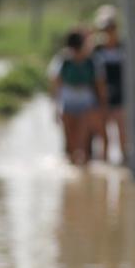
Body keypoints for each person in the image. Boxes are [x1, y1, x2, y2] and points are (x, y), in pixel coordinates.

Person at [48, 27, 104, 166]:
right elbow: (55, 85)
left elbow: (99, 85)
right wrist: (55, 109)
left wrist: (101, 108)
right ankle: (73, 173)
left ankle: (85, 172)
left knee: (85, 143)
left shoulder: (93, 61)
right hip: (68, 103)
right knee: (69, 143)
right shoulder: (62, 60)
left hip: (87, 104)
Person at [91, 5, 130, 164]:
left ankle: (125, 163)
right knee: (103, 136)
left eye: (111, 27)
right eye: (104, 28)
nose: (108, 32)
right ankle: (103, 165)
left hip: (121, 96)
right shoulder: (96, 49)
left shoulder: (124, 47)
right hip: (100, 97)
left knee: (122, 132)